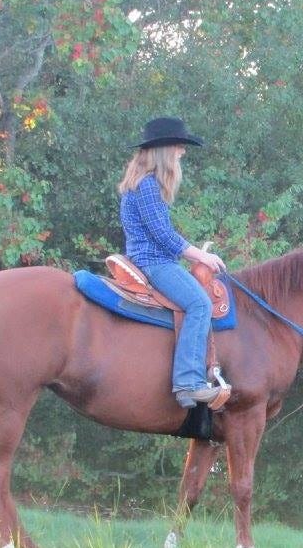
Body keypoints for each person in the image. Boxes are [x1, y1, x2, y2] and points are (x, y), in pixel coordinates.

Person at [118, 116, 226, 408]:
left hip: (150, 259)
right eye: (179, 146)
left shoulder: (142, 184)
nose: (182, 152)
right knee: (200, 304)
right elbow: (164, 236)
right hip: (154, 263)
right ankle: (188, 383)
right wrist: (201, 255)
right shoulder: (147, 186)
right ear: (165, 150)